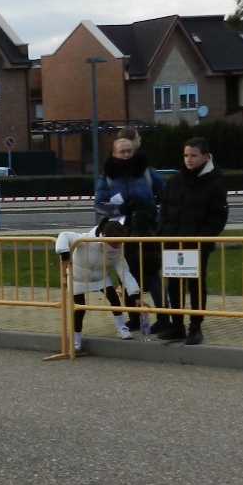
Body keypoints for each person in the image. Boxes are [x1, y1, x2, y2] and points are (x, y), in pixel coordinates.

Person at [156, 137, 228, 346]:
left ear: (205, 157)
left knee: (195, 285)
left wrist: (202, 238)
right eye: (186, 155)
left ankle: (195, 326)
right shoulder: (175, 181)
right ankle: (177, 324)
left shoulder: (214, 183)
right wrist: (162, 232)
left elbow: (218, 217)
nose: (188, 159)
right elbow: (165, 209)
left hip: (196, 244)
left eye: (193, 155)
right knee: (174, 283)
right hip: (172, 241)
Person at [94, 131, 165, 339]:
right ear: (114, 154)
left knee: (152, 273)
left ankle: (163, 317)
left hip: (147, 228)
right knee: (125, 273)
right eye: (121, 151)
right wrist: (120, 209)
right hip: (122, 230)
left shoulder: (147, 171)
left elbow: (166, 193)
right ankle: (134, 317)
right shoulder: (107, 176)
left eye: (129, 151)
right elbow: (99, 204)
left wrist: (154, 212)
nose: (126, 154)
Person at [55, 219, 140, 354]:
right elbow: (64, 235)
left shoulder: (117, 250)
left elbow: (124, 271)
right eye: (115, 242)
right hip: (78, 277)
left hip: (101, 277)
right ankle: (76, 341)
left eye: (120, 242)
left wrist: (135, 294)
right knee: (79, 308)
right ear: (104, 237)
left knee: (114, 299)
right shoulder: (85, 239)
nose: (118, 246)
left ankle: (121, 328)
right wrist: (64, 253)